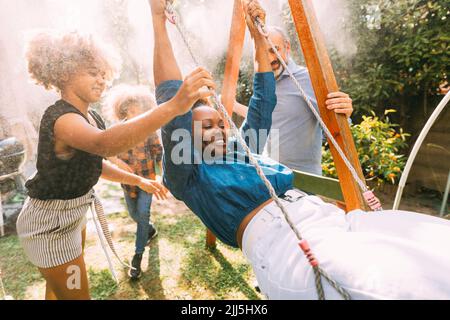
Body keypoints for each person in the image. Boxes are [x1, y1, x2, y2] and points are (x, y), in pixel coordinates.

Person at [151, 0, 450, 300]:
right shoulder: (187, 175)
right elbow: (170, 105)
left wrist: (258, 39)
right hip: (286, 244)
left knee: (433, 242)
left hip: (328, 218)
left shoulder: (243, 153)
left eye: (221, 124)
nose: (218, 130)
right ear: (185, 137)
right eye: (206, 126)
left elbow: (262, 101)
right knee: (402, 288)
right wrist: (158, 21)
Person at [16, 30, 215, 300]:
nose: (100, 79)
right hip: (50, 225)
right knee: (75, 295)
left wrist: (139, 180)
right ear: (64, 72)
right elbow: (105, 145)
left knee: (58, 289)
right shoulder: (61, 118)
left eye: (102, 73)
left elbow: (95, 163)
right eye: (91, 72)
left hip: (73, 215)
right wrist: (174, 106)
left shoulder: (91, 117)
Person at [233, 1, 353, 175]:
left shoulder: (308, 80)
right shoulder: (265, 85)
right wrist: (234, 105)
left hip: (304, 182)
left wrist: (345, 113)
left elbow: (334, 131)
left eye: (275, 50)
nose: (270, 58)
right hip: (269, 176)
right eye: (264, 52)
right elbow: (273, 117)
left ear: (287, 48)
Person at [104, 84, 163, 280]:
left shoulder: (148, 129)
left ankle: (137, 256)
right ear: (124, 109)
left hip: (147, 181)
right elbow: (107, 152)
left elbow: (158, 153)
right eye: (133, 108)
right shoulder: (116, 131)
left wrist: (163, 175)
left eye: (140, 107)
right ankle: (150, 229)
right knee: (135, 215)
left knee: (143, 213)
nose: (137, 111)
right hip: (128, 184)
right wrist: (118, 162)